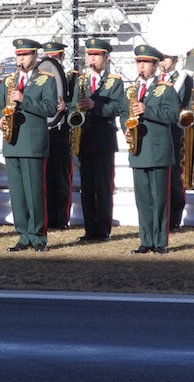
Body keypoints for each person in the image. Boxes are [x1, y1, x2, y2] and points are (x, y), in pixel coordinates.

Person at [0, 39, 58, 252]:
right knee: (18, 193)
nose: (21, 59)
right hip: (12, 143)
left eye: (25, 55)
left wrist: (24, 99)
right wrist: (0, 118)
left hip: (33, 144)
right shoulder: (9, 79)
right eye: (18, 55)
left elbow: (50, 108)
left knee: (35, 192)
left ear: (35, 56)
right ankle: (23, 234)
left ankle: (38, 236)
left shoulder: (46, 80)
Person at [121, 46, 180, 255]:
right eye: (139, 62)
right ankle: (145, 240)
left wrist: (148, 110)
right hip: (138, 150)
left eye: (146, 63)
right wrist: (127, 129)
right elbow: (123, 113)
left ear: (155, 66)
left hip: (159, 151)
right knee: (143, 200)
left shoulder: (166, 88)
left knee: (160, 199)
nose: (141, 67)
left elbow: (173, 115)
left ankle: (160, 241)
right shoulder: (131, 89)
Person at [68, 38, 124, 242]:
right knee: (87, 186)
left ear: (106, 58)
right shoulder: (81, 80)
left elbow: (118, 108)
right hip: (84, 138)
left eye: (96, 55)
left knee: (102, 185)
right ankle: (90, 228)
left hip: (103, 139)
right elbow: (74, 107)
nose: (92, 59)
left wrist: (95, 106)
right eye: (89, 55)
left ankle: (103, 228)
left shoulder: (114, 81)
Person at [158, 53, 194, 232]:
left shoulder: (184, 79)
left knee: (174, 176)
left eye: (166, 58)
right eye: (161, 58)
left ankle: (174, 219)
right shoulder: (154, 79)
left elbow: (182, 103)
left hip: (174, 132)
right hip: (156, 133)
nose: (162, 62)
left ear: (175, 60)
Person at [41, 41, 75, 230]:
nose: (50, 60)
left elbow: (77, 101)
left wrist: (67, 107)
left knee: (61, 175)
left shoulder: (71, 77)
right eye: (48, 57)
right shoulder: (39, 77)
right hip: (44, 130)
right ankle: (48, 215)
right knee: (45, 176)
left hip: (61, 131)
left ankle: (61, 218)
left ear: (61, 57)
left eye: (54, 57)